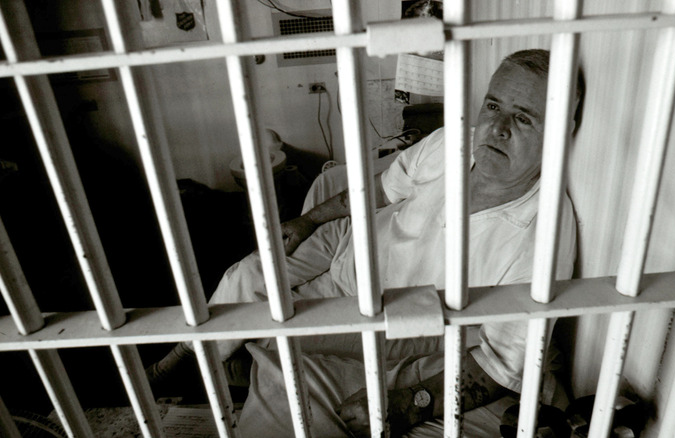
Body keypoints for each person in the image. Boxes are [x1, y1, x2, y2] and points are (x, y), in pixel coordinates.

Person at [148, 49, 583, 437]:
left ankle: (214, 367)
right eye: (493, 105)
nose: (497, 128)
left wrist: (409, 405)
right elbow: (383, 190)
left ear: (567, 128)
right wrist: (308, 221)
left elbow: (503, 365)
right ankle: (181, 361)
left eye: (524, 117)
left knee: (287, 355)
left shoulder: (543, 232)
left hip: (386, 309)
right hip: (358, 240)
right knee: (248, 274)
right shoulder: (455, 142)